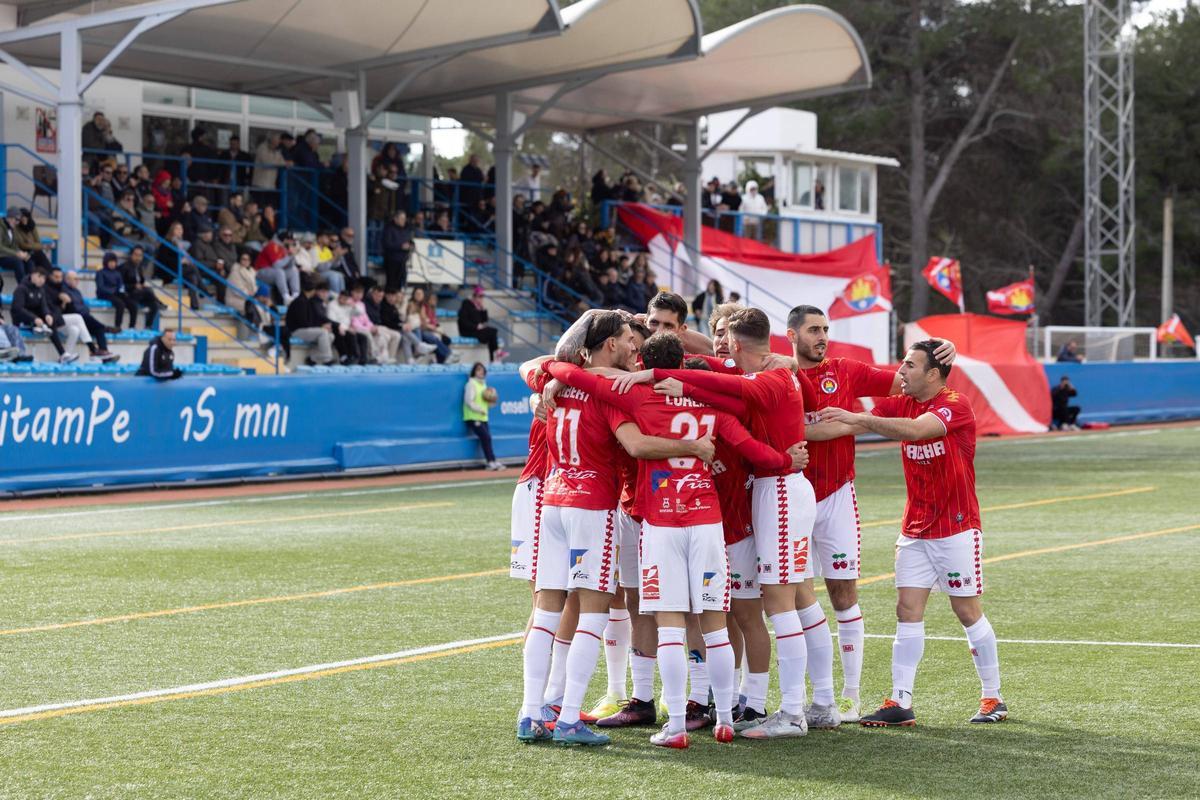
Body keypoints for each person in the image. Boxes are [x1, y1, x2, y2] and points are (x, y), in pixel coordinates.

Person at [545, 332, 807, 749]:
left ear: (647, 364)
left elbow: (584, 378)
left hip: (661, 523)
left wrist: (553, 372)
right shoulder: (716, 406)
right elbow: (752, 447)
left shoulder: (637, 398)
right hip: (707, 522)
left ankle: (677, 727)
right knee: (716, 628)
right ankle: (723, 719)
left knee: (669, 626)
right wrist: (785, 460)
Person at [614, 307, 821, 738]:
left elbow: (720, 382)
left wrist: (559, 372)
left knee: (696, 617)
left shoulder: (769, 378)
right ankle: (730, 714)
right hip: (719, 516)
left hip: (673, 517)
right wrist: (785, 456)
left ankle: (790, 711)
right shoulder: (726, 401)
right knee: (728, 619)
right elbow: (727, 397)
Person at [514, 312, 717, 746]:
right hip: (593, 506)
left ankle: (531, 712)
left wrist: (553, 375)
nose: (634, 346)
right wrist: (693, 446)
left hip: (553, 500)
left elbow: (532, 367)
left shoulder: (557, 383)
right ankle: (568, 718)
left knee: (547, 611)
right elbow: (637, 445)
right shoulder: (607, 391)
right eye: (627, 339)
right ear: (608, 345)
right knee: (594, 611)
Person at [809, 340, 1007, 727]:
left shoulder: (955, 404)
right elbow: (843, 424)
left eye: (910, 365)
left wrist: (862, 420)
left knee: (966, 611)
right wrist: (785, 434)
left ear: (933, 374)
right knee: (907, 611)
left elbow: (917, 432)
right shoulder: (901, 402)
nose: (901, 370)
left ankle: (993, 697)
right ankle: (900, 700)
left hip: (957, 527)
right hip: (915, 529)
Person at [789, 306, 956, 721]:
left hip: (838, 495)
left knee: (844, 595)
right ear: (791, 334)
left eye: (825, 329)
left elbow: (907, 382)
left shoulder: (844, 369)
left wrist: (944, 350)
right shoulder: (781, 374)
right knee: (792, 596)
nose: (822, 336)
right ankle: (806, 695)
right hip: (791, 495)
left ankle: (849, 695)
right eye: (813, 330)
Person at [10, 269, 76, 363]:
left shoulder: (41, 290)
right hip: (22, 319)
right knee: (44, 325)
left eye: (44, 278)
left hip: (35, 319)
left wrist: (47, 315)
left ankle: (63, 354)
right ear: (32, 275)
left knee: (51, 321)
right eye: (39, 277)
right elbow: (18, 309)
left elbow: (43, 306)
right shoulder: (21, 288)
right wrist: (34, 318)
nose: (42, 280)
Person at [58, 270, 120, 362]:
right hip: (73, 319)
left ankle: (104, 353)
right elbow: (70, 309)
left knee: (99, 329)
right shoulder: (63, 290)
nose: (78, 281)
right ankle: (104, 331)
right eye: (75, 279)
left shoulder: (77, 291)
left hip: (84, 317)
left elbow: (83, 306)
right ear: (67, 279)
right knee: (93, 323)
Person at [285, 278, 336, 365]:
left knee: (330, 336)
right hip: (296, 331)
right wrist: (320, 327)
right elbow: (304, 323)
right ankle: (327, 359)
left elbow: (310, 321)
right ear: (312, 291)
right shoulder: (300, 302)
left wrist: (321, 326)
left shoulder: (307, 301)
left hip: (305, 330)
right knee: (323, 332)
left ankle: (312, 358)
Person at [464, 362, 503, 470]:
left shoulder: (483, 385)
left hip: (483, 417)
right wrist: (480, 409)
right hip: (473, 417)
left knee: (487, 438)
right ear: (474, 372)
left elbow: (484, 402)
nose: (481, 372)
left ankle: (493, 461)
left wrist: (491, 402)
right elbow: (468, 401)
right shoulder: (471, 384)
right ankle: (490, 461)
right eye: (478, 370)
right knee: (486, 437)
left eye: (482, 370)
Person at [155, 221, 201, 310]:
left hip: (179, 269)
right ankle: (203, 289)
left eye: (181, 229)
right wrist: (180, 262)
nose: (180, 231)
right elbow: (164, 260)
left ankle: (194, 305)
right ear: (172, 230)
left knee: (192, 277)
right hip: (168, 270)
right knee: (192, 268)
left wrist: (185, 260)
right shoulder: (166, 243)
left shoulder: (181, 244)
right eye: (177, 229)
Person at [458, 286, 505, 362]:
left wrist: (483, 309)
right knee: (493, 331)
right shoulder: (466, 305)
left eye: (482, 296)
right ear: (474, 296)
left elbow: (484, 320)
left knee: (491, 335)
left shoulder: (477, 307)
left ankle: (493, 358)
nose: (481, 298)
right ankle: (496, 353)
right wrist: (476, 326)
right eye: (479, 296)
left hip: (476, 330)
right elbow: (464, 322)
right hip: (467, 331)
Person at [120, 245, 161, 329]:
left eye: (140, 255)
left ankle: (148, 326)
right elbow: (120, 285)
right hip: (129, 293)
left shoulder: (139, 267)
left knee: (154, 305)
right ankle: (132, 327)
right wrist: (133, 286)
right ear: (131, 255)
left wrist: (140, 286)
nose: (138, 258)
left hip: (139, 294)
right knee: (148, 291)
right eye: (136, 255)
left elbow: (141, 281)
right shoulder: (124, 267)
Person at [381, 209, 413, 292]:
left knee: (400, 284)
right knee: (391, 284)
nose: (404, 221)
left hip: (402, 261)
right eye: (402, 219)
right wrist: (401, 246)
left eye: (404, 219)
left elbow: (409, 241)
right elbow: (387, 244)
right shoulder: (389, 229)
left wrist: (411, 245)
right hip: (392, 261)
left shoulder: (406, 229)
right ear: (396, 219)